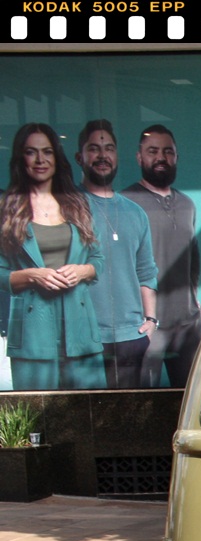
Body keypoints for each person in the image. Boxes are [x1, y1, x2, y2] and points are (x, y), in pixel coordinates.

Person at [0, 122, 105, 391]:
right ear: (20, 158)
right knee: (38, 412)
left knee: (90, 411)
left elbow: (98, 260)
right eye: (31, 152)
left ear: (56, 157)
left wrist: (82, 271)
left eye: (47, 152)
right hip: (32, 333)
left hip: (80, 330)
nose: (40, 160)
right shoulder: (6, 208)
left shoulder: (77, 203)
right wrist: (32, 276)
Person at [76, 119, 159, 389]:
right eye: (94, 148)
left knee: (128, 413)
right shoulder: (66, 208)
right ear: (79, 157)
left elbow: (146, 272)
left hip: (130, 337)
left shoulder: (135, 213)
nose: (103, 155)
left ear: (117, 156)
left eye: (109, 148)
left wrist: (150, 321)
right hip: (82, 338)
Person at [122, 125, 201, 388]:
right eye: (152, 151)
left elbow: (193, 258)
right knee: (145, 400)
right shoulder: (126, 203)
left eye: (168, 152)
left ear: (176, 157)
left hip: (187, 325)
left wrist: (194, 302)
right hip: (147, 324)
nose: (161, 157)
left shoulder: (187, 204)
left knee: (188, 396)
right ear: (139, 157)